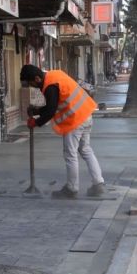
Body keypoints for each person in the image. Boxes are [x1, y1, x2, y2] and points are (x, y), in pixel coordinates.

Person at [20, 64, 104, 199]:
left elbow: (51, 110)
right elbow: (51, 105)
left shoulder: (50, 86)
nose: (33, 87)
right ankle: (98, 184)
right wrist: (36, 111)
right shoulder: (55, 76)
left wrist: (36, 122)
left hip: (75, 121)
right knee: (86, 150)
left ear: (37, 78)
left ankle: (71, 189)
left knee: (70, 154)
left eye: (31, 84)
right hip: (86, 115)